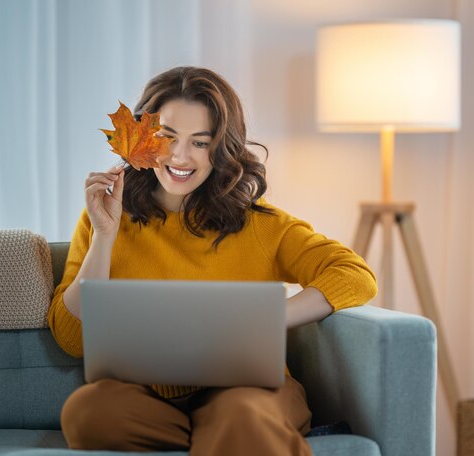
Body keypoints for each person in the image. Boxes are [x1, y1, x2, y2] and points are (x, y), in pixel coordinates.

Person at [47, 66, 377, 456]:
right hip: (148, 399)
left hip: (250, 392)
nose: (180, 156)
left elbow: (356, 275)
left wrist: (272, 318)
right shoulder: (104, 216)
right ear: (141, 137)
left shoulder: (259, 223)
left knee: (241, 415)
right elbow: (70, 337)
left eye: (200, 143)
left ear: (220, 149)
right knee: (87, 412)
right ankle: (230, 441)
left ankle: (239, 433)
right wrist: (105, 235)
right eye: (167, 137)